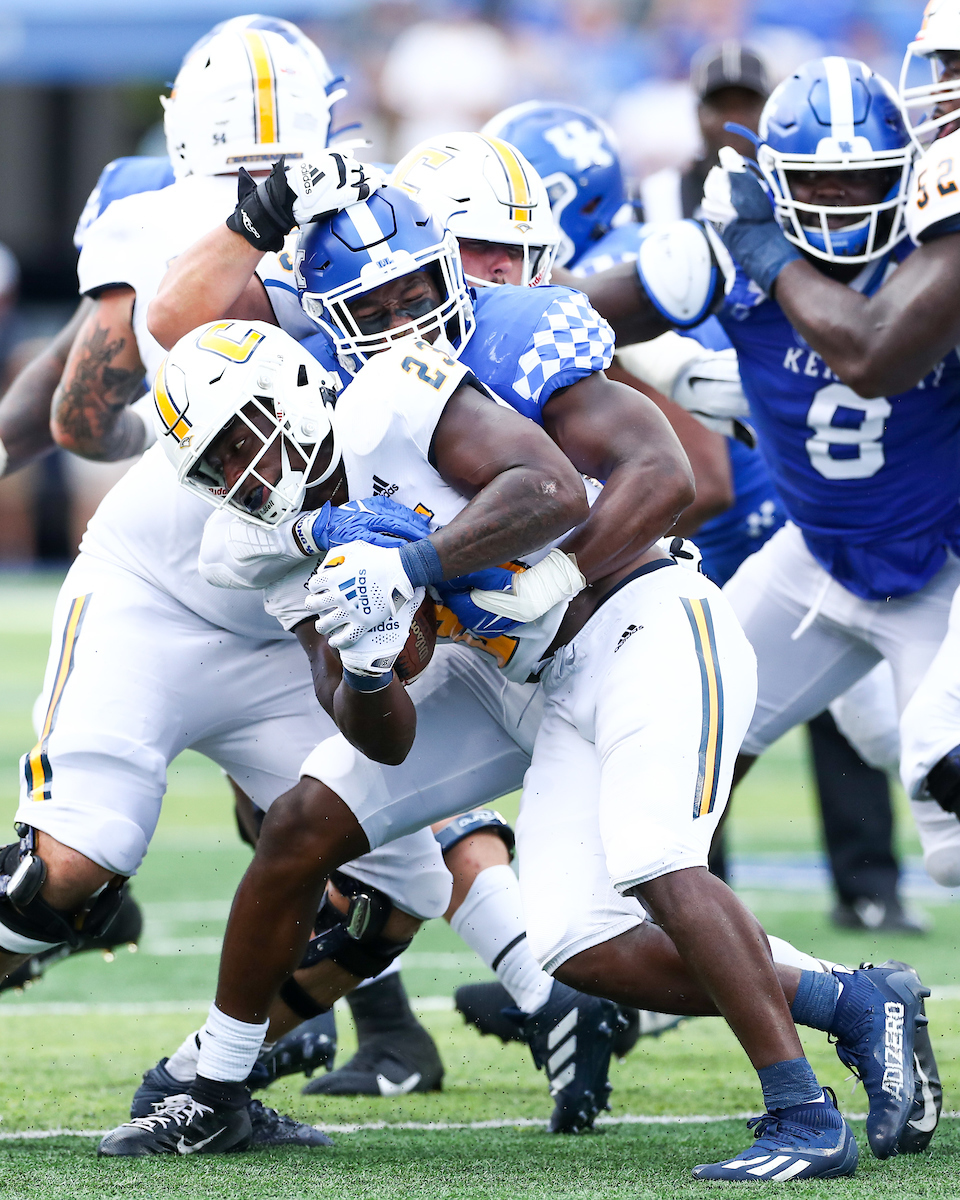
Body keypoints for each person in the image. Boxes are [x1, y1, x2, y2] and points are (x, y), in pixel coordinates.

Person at [107, 182, 937, 1179]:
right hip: (511, 671)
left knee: (654, 862)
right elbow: (387, 732)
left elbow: (551, 487)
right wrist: (369, 660)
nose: (250, 467)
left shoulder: (395, 397)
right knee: (487, 903)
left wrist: (415, 566)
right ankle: (216, 1086)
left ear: (298, 387)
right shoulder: (257, 545)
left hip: (639, 620)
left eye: (253, 433)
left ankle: (802, 1113)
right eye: (220, 462)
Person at [0, 21, 397, 1148]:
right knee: (67, 867)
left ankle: (203, 1083)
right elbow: (95, 389)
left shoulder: (160, 206)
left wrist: (145, 429)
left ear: (184, 120)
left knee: (387, 885)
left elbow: (86, 415)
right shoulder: (369, 207)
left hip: (287, 619)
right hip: (159, 597)